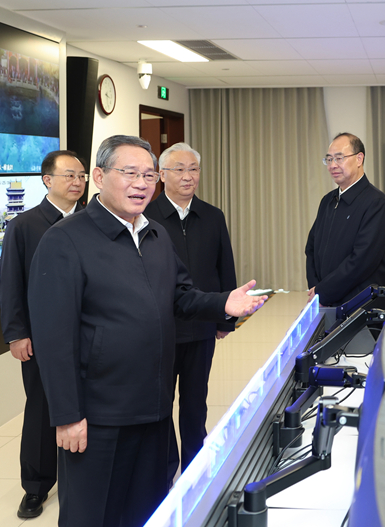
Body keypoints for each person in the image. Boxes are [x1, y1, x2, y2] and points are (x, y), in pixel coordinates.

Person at [28, 135, 266, 527]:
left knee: (149, 511)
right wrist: (67, 415)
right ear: (100, 177)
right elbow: (53, 338)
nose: (142, 183)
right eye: (130, 173)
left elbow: (181, 295)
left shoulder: (154, 234)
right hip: (99, 417)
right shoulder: (65, 241)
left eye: (149, 175)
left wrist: (223, 303)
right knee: (93, 515)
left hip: (153, 409)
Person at [0, 150, 86, 519]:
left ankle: (81, 476)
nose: (78, 182)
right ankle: (35, 486)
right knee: (41, 409)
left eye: (81, 175)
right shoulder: (25, 226)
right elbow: (10, 284)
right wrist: (16, 333)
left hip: (89, 334)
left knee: (86, 406)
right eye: (69, 175)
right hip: (41, 338)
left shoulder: (92, 221)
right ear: (47, 180)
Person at [144, 142, 238, 485]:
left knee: (196, 402)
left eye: (194, 169)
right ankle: (166, 466)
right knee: (160, 402)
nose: (188, 176)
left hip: (200, 326)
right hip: (161, 328)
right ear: (162, 175)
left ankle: (195, 469)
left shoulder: (212, 215)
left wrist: (225, 319)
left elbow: (224, 266)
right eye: (179, 169)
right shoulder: (146, 215)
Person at [305, 132, 385, 306]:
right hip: (325, 303)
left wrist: (324, 292)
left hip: (358, 307)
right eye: (329, 159)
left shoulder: (375, 203)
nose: (332, 165)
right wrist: (317, 289)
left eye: (339, 158)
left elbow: (361, 262)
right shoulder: (328, 201)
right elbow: (312, 248)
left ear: (359, 159)